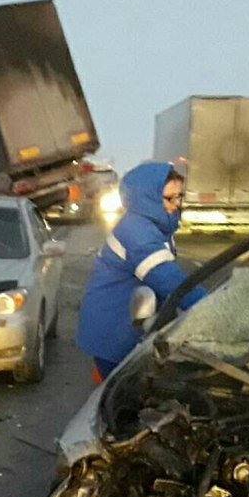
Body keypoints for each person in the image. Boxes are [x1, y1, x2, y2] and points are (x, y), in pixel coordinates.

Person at [74, 162, 207, 381]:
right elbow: (168, 280)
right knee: (122, 402)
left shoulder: (154, 226)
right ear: (148, 198)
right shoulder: (137, 232)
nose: (176, 204)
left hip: (126, 325)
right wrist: (210, 307)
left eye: (179, 196)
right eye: (169, 198)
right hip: (115, 330)